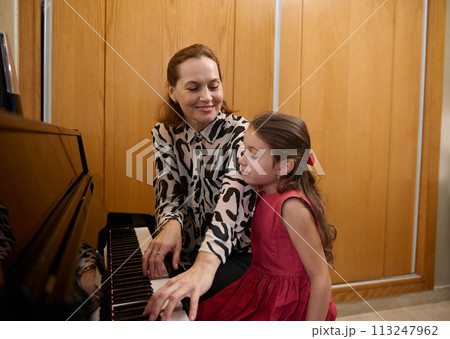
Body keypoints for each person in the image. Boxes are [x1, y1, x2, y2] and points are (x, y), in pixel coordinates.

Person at [142, 44, 256, 321]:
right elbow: (168, 194)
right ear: (172, 91)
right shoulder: (165, 134)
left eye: (213, 86)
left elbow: (233, 202)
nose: (207, 97)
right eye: (193, 88)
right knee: (141, 284)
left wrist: (205, 265)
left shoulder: (242, 134)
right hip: (188, 252)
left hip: (233, 253)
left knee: (172, 303)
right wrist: (171, 222)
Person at [196, 111, 337, 320]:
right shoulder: (263, 194)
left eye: (252, 153)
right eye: (244, 150)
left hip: (288, 305)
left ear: (283, 166)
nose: (241, 159)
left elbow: (320, 278)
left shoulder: (292, 206)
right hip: (260, 288)